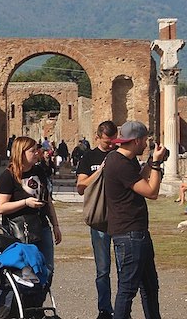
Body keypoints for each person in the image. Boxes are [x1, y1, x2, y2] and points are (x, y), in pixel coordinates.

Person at [102, 120, 166, 319]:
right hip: (129, 234)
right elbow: (151, 192)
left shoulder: (120, 159)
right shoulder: (119, 163)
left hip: (136, 232)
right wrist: (155, 164)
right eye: (145, 140)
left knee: (150, 286)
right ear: (137, 140)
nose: (147, 144)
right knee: (128, 289)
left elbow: (136, 179)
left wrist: (148, 164)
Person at [0, 136, 60, 300]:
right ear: (21, 153)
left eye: (37, 149)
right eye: (32, 150)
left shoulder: (39, 171)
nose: (37, 153)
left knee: (47, 269)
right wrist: (25, 202)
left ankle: (38, 305)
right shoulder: (8, 176)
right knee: (28, 271)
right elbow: (1, 207)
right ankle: (27, 306)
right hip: (20, 230)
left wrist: (56, 225)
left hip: (42, 227)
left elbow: (48, 200)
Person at [76, 120, 118, 319]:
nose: (110, 146)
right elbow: (80, 187)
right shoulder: (88, 157)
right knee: (103, 269)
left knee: (125, 268)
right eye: (107, 142)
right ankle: (105, 309)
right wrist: (99, 171)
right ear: (98, 137)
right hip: (99, 219)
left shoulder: (121, 154)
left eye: (113, 142)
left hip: (120, 219)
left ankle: (122, 308)